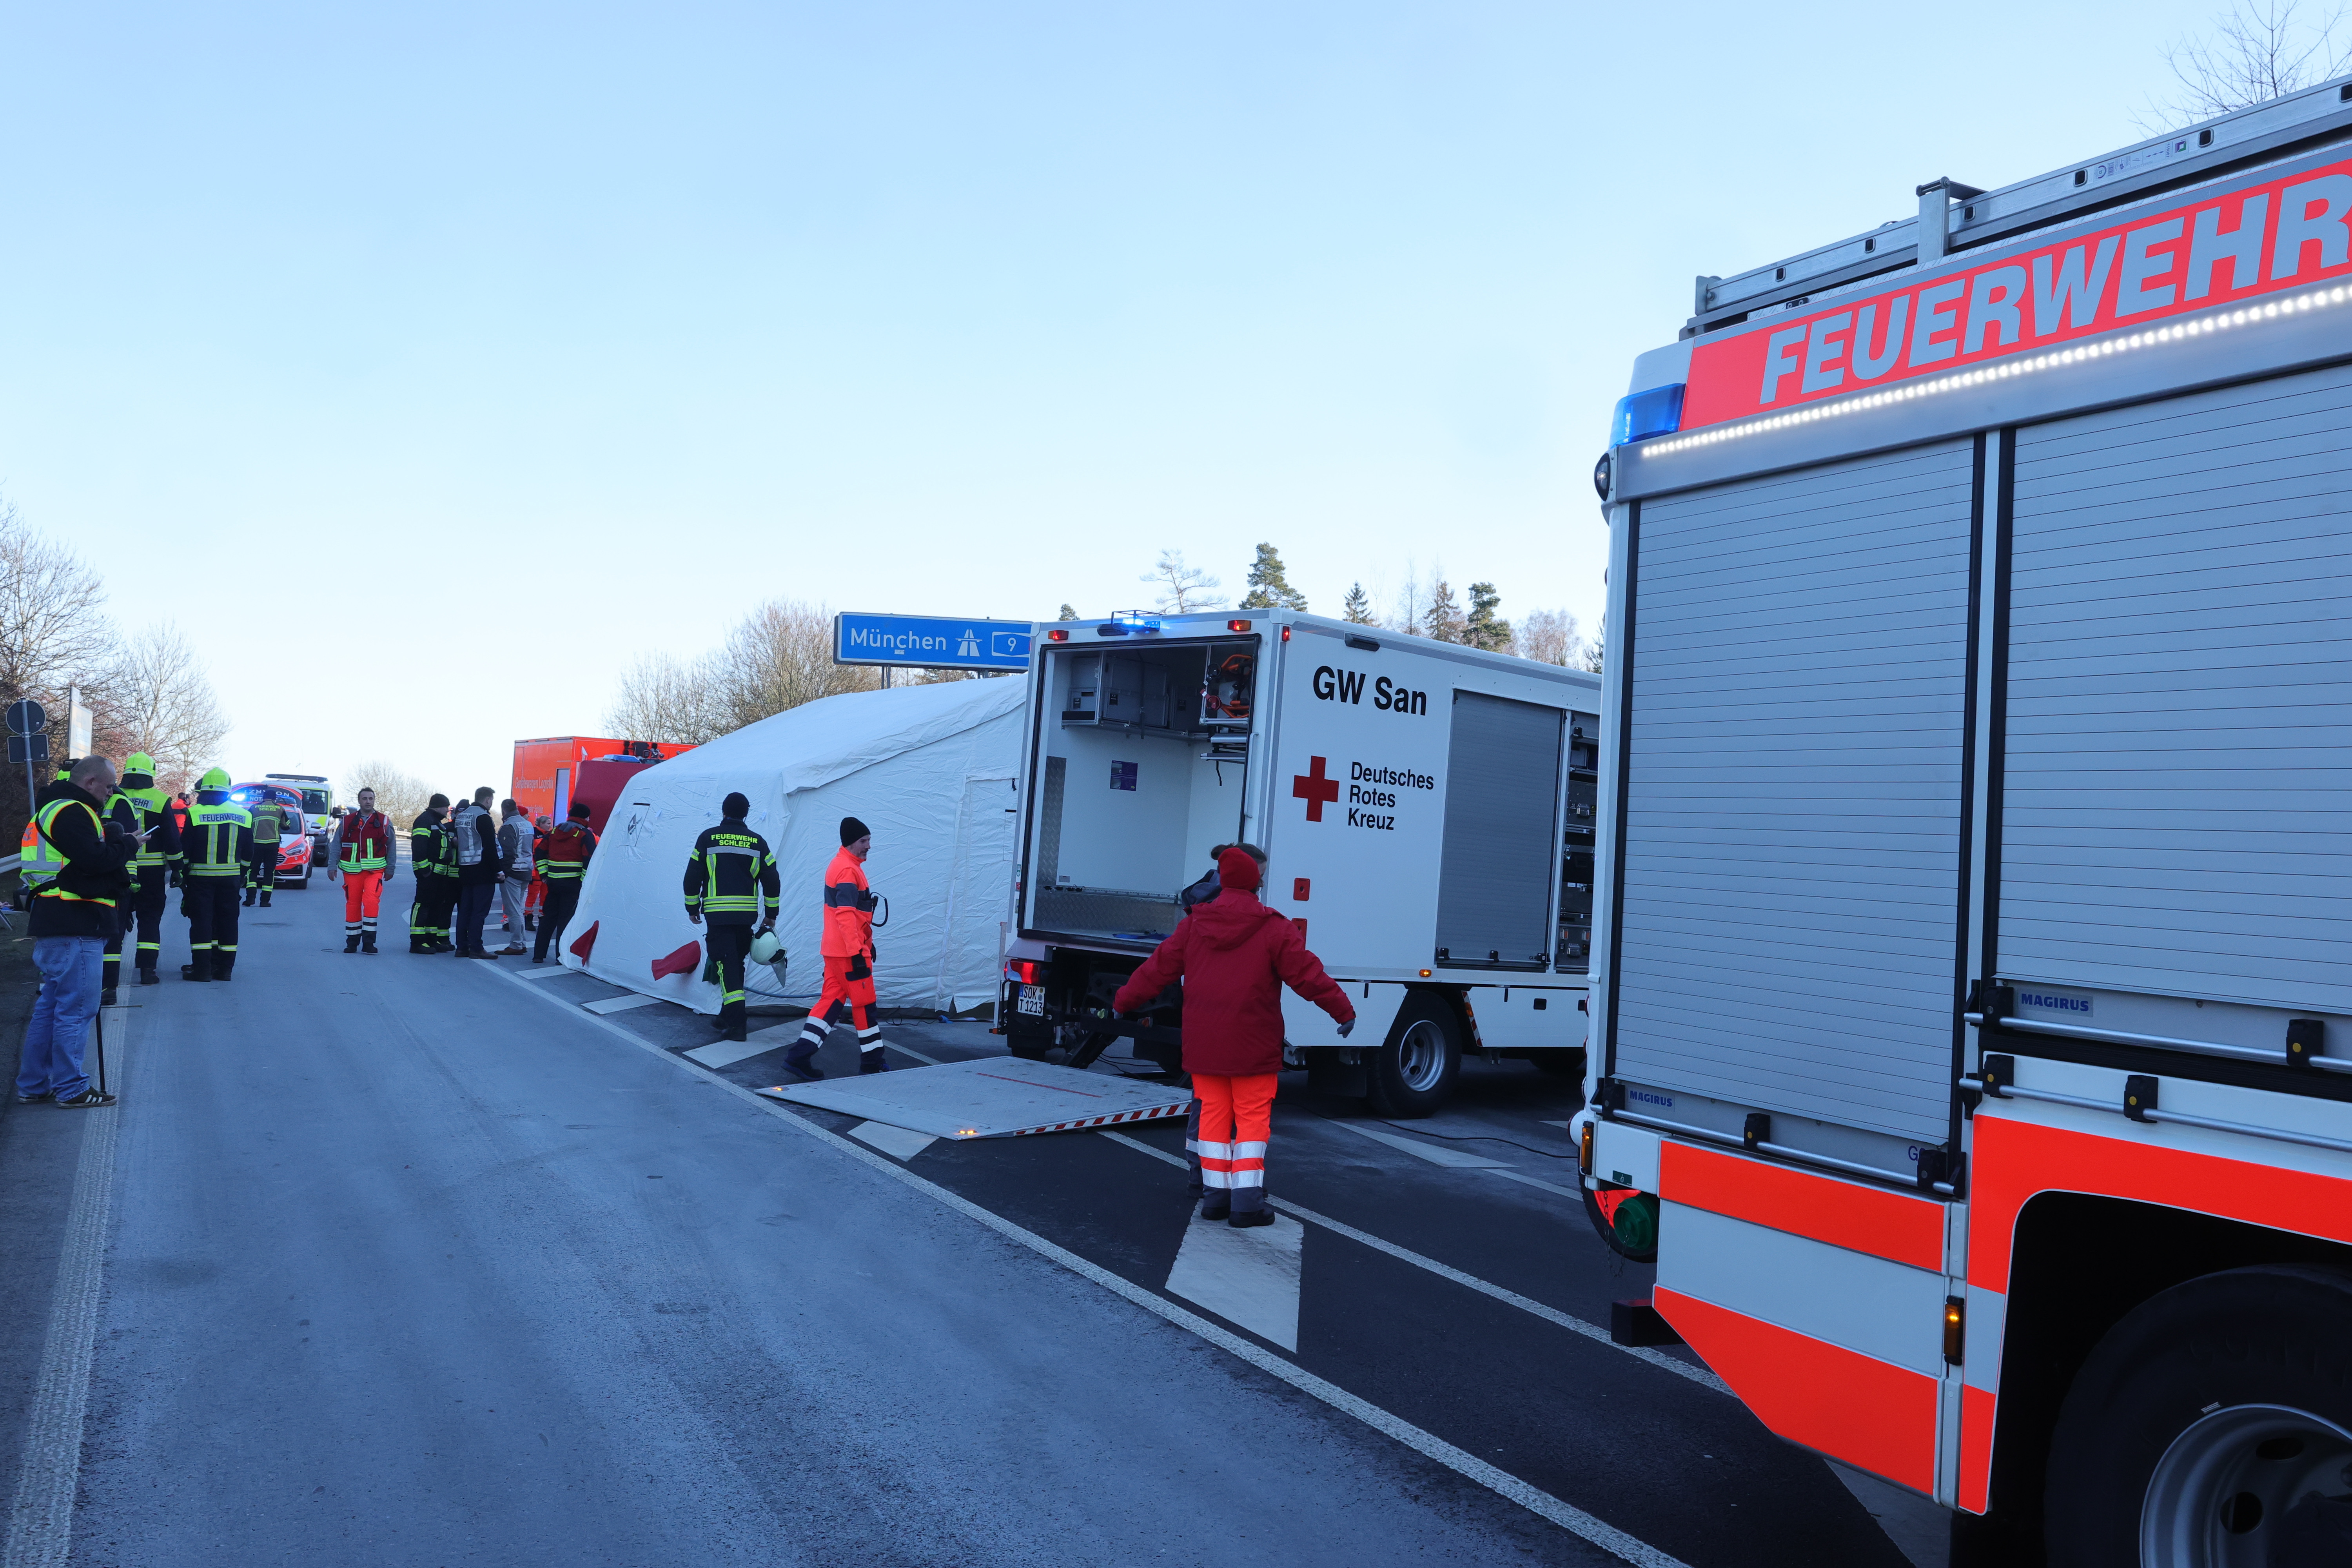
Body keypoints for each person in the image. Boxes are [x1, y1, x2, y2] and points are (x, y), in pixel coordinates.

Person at [1114, 845, 1355, 1228]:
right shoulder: (1274, 927)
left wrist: (1124, 999)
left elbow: (1157, 968)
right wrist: (1342, 1010)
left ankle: (1215, 1198)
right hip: (1253, 1047)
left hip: (1205, 1046)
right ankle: (1247, 1204)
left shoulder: (1195, 924)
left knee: (1211, 1119)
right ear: (1256, 883)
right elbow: (1308, 976)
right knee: (1252, 1122)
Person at [17, 755, 136, 1108]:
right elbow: (95, 861)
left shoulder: (52, 809)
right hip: (76, 920)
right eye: (109, 787)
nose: (111, 794)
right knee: (78, 1008)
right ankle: (71, 1088)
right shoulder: (72, 811)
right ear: (90, 783)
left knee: (51, 1007)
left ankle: (34, 1084)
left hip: (55, 918)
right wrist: (128, 845)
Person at [783, 816, 886, 1081]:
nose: (868, 846)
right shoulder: (849, 871)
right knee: (865, 1007)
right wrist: (858, 951)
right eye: (864, 841)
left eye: (869, 840)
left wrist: (866, 944)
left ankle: (799, 1057)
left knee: (829, 1004)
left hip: (834, 950)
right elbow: (846, 915)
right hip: (849, 953)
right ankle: (872, 1063)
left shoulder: (841, 865)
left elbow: (850, 915)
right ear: (851, 842)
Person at [682, 791, 779, 1044]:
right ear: (746, 814)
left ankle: (738, 1025)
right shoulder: (758, 842)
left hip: (718, 915)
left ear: (724, 812)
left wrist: (692, 906)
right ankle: (726, 1017)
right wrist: (771, 915)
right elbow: (772, 880)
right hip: (745, 917)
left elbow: (693, 875)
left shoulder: (708, 838)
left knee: (727, 967)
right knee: (735, 964)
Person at [100, 753, 180, 999]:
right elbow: (171, 838)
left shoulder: (112, 796)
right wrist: (178, 868)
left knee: (116, 921)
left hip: (119, 868)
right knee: (150, 919)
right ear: (151, 774)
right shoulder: (159, 799)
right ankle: (147, 970)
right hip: (152, 872)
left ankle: (108, 981)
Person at [174, 767, 252, 982]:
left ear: (204, 791)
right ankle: (225, 969)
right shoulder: (244, 815)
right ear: (227, 790)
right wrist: (242, 873)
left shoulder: (195, 813)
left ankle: (202, 970)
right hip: (231, 879)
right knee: (228, 922)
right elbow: (248, 853)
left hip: (200, 879)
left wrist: (183, 875)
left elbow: (186, 849)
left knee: (201, 922)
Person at [326, 787, 395, 953]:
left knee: (371, 902)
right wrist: (332, 866)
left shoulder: (384, 821)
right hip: (352, 871)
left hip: (375, 871)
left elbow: (391, 846)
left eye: (371, 799)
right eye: (365, 799)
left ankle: (369, 943)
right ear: (359, 801)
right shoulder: (348, 821)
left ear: (374, 800)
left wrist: (391, 868)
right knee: (353, 905)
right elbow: (336, 845)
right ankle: (352, 942)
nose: (368, 802)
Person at [532, 803, 597, 964]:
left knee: (548, 920)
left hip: (553, 884)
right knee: (565, 921)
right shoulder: (584, 835)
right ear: (585, 818)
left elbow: (540, 852)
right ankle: (560, 957)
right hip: (573, 885)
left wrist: (544, 874)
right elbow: (589, 861)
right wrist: (584, 883)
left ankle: (538, 956)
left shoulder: (554, 831)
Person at [449, 787, 503, 958]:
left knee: (465, 911)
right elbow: (489, 846)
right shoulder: (483, 817)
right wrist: (499, 870)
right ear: (487, 800)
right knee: (479, 912)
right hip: (482, 869)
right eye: (491, 801)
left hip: (465, 869)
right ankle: (477, 948)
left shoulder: (462, 816)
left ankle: (462, 947)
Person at [408, 795, 458, 953]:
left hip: (440, 875)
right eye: (446, 807)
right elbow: (419, 848)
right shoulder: (424, 821)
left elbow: (438, 845)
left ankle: (431, 940)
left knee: (436, 907)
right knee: (422, 905)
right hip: (429, 875)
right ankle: (417, 942)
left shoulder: (437, 823)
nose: (447, 810)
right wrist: (425, 872)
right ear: (438, 806)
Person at [494, 799, 533, 956]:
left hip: (513, 873)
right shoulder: (527, 824)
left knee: (513, 911)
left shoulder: (509, 826)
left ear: (504, 811)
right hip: (526, 871)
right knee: (519, 909)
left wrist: (504, 872)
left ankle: (516, 945)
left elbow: (507, 852)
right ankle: (522, 943)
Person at [243, 787, 288, 907]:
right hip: (273, 844)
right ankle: (265, 901)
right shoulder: (280, 809)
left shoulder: (254, 808)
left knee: (252, 870)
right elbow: (286, 825)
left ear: (263, 798)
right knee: (269, 872)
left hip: (256, 843)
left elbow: (247, 824)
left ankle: (250, 899)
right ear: (275, 799)